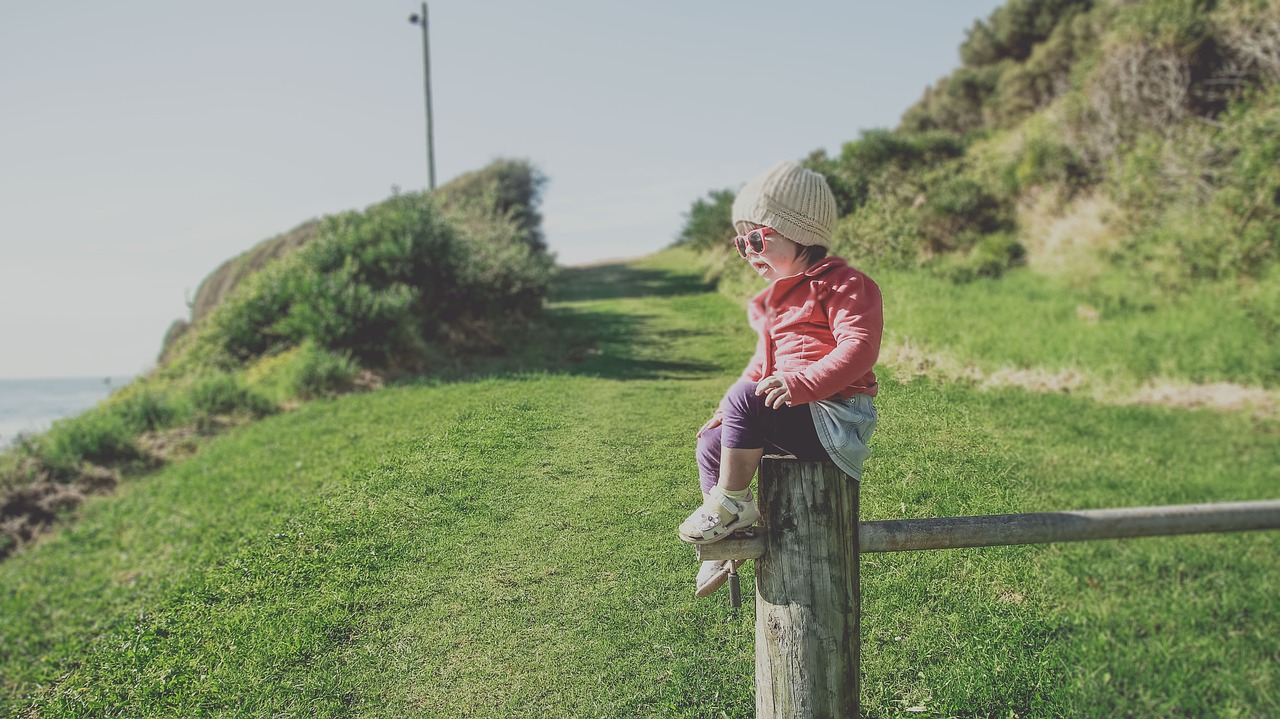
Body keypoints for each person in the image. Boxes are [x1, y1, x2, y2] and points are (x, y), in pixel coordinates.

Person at [677, 160, 883, 597]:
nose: (749, 252)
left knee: (744, 400)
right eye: (740, 243)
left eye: (757, 239)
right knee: (712, 442)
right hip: (797, 412)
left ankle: (732, 503)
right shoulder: (778, 300)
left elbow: (859, 347)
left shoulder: (844, 285)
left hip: (835, 417)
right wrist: (726, 412)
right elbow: (762, 365)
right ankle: (726, 540)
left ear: (802, 232)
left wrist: (800, 383)